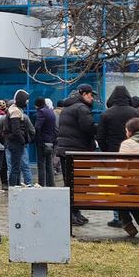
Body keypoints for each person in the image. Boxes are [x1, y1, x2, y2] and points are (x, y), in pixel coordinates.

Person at [96, 86, 139, 227]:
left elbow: (100, 137)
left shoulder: (106, 114)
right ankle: (134, 214)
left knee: (115, 186)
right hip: (132, 154)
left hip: (113, 153)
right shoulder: (136, 112)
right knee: (130, 183)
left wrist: (107, 151)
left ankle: (118, 217)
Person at [57, 84, 97, 225]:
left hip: (66, 151)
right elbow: (88, 127)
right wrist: (101, 127)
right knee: (79, 184)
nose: (92, 98)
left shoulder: (68, 108)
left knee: (70, 183)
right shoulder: (81, 108)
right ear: (84, 94)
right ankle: (72, 214)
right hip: (77, 151)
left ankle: (74, 213)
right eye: (91, 95)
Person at [3, 90, 33, 187]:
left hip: (14, 143)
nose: (28, 102)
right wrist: (23, 140)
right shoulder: (16, 111)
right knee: (15, 168)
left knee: (15, 167)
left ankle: (15, 186)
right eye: (27, 100)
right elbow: (16, 130)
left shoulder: (13, 109)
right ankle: (13, 188)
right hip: (16, 144)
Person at [34, 96, 58, 187]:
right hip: (50, 142)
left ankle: (41, 184)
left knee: (41, 165)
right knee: (49, 164)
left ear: (37, 105)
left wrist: (38, 140)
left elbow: (37, 127)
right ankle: (51, 184)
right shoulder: (51, 112)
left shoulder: (41, 112)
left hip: (42, 142)